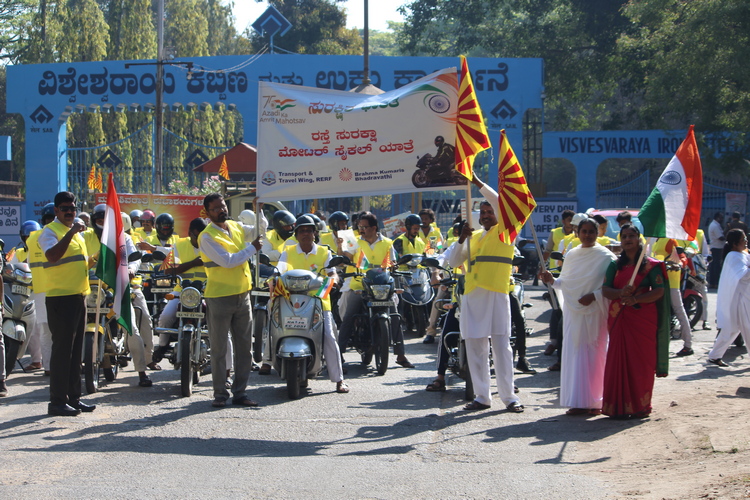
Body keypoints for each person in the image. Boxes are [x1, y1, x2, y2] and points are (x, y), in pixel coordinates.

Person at [448, 175, 524, 413]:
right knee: (475, 346)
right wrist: (461, 240)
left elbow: (502, 203)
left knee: (502, 346)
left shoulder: (507, 230)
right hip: (472, 296)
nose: (486, 214)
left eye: (490, 211)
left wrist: (476, 181)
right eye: (483, 211)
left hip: (497, 294)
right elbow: (452, 261)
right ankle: (482, 396)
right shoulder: (472, 236)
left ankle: (509, 397)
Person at [540, 218, 616, 415]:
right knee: (575, 353)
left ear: (598, 233)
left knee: (595, 353)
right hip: (574, 314)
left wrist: (594, 296)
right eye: (584, 231)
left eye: (592, 231)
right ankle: (577, 401)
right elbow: (565, 283)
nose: (588, 235)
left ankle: (595, 402)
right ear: (578, 232)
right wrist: (552, 280)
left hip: (595, 312)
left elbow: (611, 287)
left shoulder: (606, 257)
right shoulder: (572, 255)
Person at [199, 193, 264, 408]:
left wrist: (259, 210)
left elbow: (258, 230)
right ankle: (220, 393)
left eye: (223, 206)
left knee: (245, 347)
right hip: (219, 297)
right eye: (216, 208)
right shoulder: (207, 236)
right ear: (207, 213)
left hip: (242, 294)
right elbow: (228, 262)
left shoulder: (234, 226)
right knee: (219, 349)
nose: (221, 210)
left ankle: (240, 393)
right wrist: (252, 248)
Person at [601, 224, 669, 419]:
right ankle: (618, 407)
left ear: (639, 239)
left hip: (643, 320)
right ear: (620, 240)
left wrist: (636, 299)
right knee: (618, 361)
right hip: (619, 318)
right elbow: (606, 290)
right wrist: (621, 293)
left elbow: (659, 291)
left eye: (632, 236)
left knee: (642, 363)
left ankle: (640, 406)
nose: (628, 239)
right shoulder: (615, 265)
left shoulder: (651, 266)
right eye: (624, 236)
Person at [276, 215, 349, 393]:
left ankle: (339, 380)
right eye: (302, 230)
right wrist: (272, 279)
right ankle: (267, 361)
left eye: (309, 230)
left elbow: (332, 273)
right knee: (273, 328)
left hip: (319, 302)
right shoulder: (288, 251)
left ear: (315, 233)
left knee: (330, 337)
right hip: (291, 303)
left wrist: (334, 280)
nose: (306, 233)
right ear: (297, 234)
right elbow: (279, 271)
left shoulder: (324, 252)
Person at [38, 192, 96, 416]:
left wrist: (93, 261)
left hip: (78, 296)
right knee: (62, 353)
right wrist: (72, 233)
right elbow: (52, 256)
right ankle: (57, 402)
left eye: (72, 208)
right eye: (64, 208)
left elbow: (74, 264)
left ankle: (74, 398)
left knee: (74, 354)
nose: (70, 212)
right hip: (60, 299)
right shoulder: (49, 232)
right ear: (55, 211)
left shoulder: (76, 234)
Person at [337, 212, 414, 369]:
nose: (361, 230)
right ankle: (338, 354)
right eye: (359, 227)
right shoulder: (355, 241)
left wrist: (395, 266)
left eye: (364, 227)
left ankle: (400, 355)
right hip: (359, 285)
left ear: (373, 228)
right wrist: (340, 247)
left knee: (394, 315)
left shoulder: (387, 243)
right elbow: (346, 258)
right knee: (349, 316)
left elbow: (392, 263)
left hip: (382, 286)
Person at [707, 229, 750, 366]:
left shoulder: (741, 254)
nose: (746, 241)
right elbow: (743, 276)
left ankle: (714, 355)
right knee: (741, 328)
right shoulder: (733, 256)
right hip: (738, 299)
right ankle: (715, 355)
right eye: (743, 239)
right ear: (735, 243)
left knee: (731, 329)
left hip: (742, 298)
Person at [651, 238, 694, 356]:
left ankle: (688, 345)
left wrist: (677, 264)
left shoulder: (670, 240)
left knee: (679, 310)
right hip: (657, 282)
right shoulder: (655, 240)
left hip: (671, 283)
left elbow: (682, 257)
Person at [708, 212, 725, 288]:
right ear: (717, 217)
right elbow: (720, 237)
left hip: (716, 247)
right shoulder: (715, 226)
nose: (722, 219)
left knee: (714, 266)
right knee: (716, 266)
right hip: (716, 248)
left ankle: (713, 282)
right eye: (721, 218)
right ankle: (714, 283)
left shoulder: (716, 225)